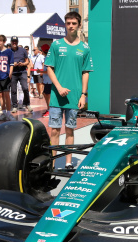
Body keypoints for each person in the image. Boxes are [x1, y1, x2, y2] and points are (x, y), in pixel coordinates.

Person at [45, 11, 93, 169]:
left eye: (74, 23)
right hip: (56, 96)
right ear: (65, 25)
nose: (71, 26)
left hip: (74, 97)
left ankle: (68, 162)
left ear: (79, 25)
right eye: (68, 23)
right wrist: (58, 87)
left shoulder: (85, 48)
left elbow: (85, 72)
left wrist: (83, 95)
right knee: (54, 131)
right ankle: (52, 163)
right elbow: (49, 68)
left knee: (70, 130)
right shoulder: (56, 45)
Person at [0, 35, 15, 122]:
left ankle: (9, 113)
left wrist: (10, 74)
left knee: (6, 95)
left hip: (5, 76)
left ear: (4, 42)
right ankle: (4, 112)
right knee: (0, 95)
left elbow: (11, 64)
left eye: (0, 41)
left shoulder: (9, 52)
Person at [9, 36, 32, 113]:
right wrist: (13, 64)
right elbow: (7, 63)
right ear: (11, 42)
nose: (14, 43)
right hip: (13, 73)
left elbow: (27, 61)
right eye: (13, 41)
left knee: (25, 88)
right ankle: (14, 106)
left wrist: (22, 64)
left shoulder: (23, 50)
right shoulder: (8, 51)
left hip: (22, 72)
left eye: (15, 41)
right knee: (13, 90)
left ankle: (27, 104)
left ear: (17, 42)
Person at [41, 44, 52, 117]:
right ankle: (48, 109)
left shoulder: (48, 58)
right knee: (45, 94)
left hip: (49, 80)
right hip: (47, 80)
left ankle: (50, 110)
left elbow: (49, 70)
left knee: (48, 95)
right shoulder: (46, 58)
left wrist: (40, 72)